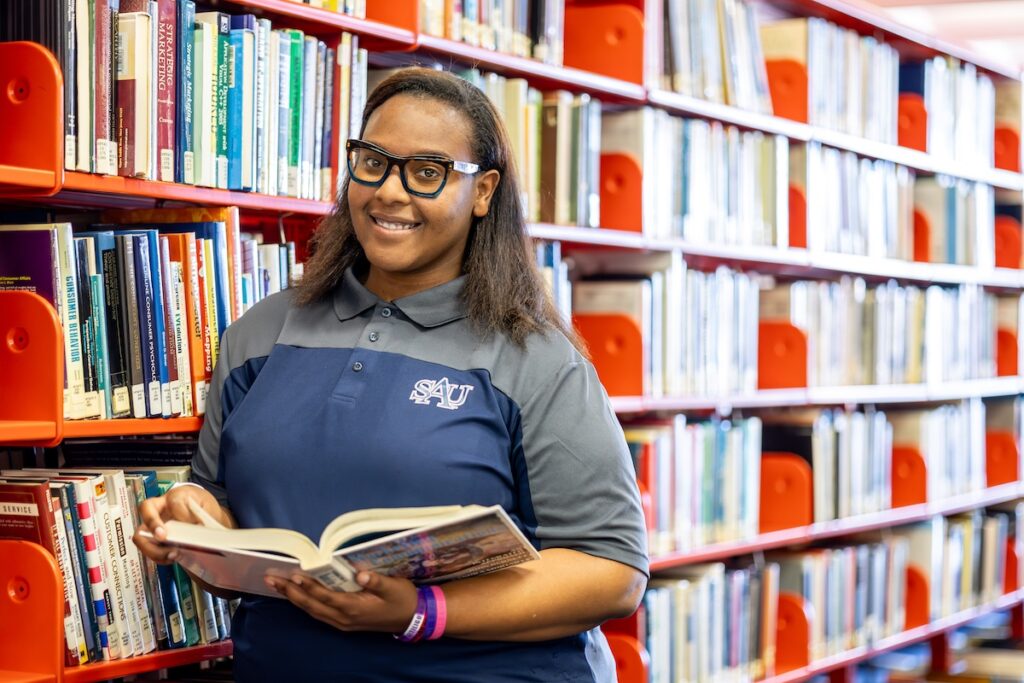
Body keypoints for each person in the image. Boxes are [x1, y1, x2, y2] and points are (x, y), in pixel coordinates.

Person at [134, 66, 649, 682]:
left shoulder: (534, 357)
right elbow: (220, 504)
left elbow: (613, 570)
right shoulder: (259, 334)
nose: (389, 193)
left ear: (482, 192)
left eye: (427, 172)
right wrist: (192, 519)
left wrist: (421, 611)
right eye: (372, 161)